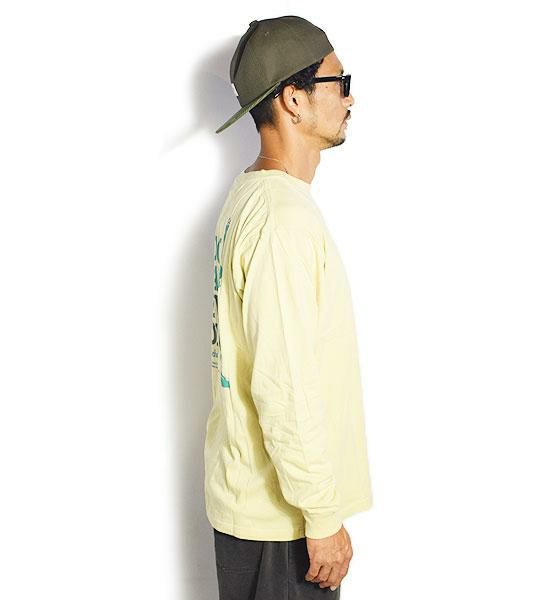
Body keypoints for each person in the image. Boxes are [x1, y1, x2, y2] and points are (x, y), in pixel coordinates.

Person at [207, 15, 373, 599]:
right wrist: (322, 517)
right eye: (338, 81)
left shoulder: (253, 196)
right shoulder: (281, 219)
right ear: (293, 99)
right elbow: (284, 383)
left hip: (260, 513)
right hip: (283, 524)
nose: (350, 97)